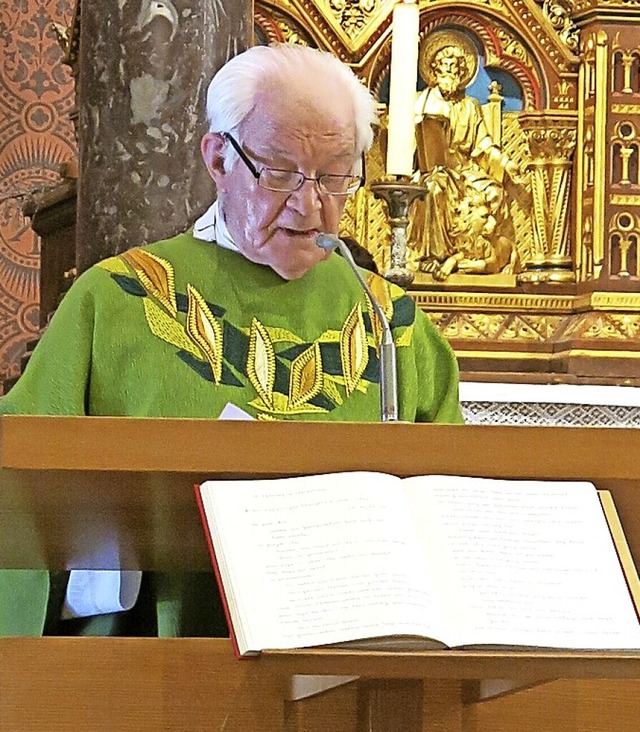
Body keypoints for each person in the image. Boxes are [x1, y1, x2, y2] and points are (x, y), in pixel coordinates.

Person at [0, 43, 463, 638]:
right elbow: (24, 494)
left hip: (355, 659)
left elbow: (451, 501)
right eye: (279, 172)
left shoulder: (393, 321)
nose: (310, 203)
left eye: (335, 177)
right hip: (155, 672)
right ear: (218, 159)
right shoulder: (113, 301)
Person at [410, 30, 530, 280]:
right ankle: (433, 256)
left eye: (455, 67)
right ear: (434, 70)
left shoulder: (470, 107)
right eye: (444, 66)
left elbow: (482, 144)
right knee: (434, 188)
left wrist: (506, 162)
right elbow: (409, 145)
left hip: (465, 171)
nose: (449, 72)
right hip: (430, 170)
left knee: (494, 192)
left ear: (462, 73)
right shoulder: (420, 102)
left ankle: (479, 253)